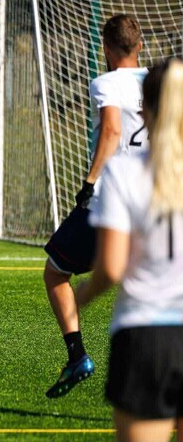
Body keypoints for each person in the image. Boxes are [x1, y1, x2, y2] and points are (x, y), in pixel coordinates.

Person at [75, 58, 183, 442]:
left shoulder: (123, 171)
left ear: (145, 109)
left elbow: (111, 267)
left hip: (146, 335)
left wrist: (83, 295)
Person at [43, 14, 149, 398]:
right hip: (155, 201)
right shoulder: (160, 82)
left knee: (56, 272)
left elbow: (112, 130)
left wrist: (88, 183)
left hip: (111, 200)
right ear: (140, 45)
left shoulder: (106, 82)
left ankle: (77, 356)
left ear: (105, 47)